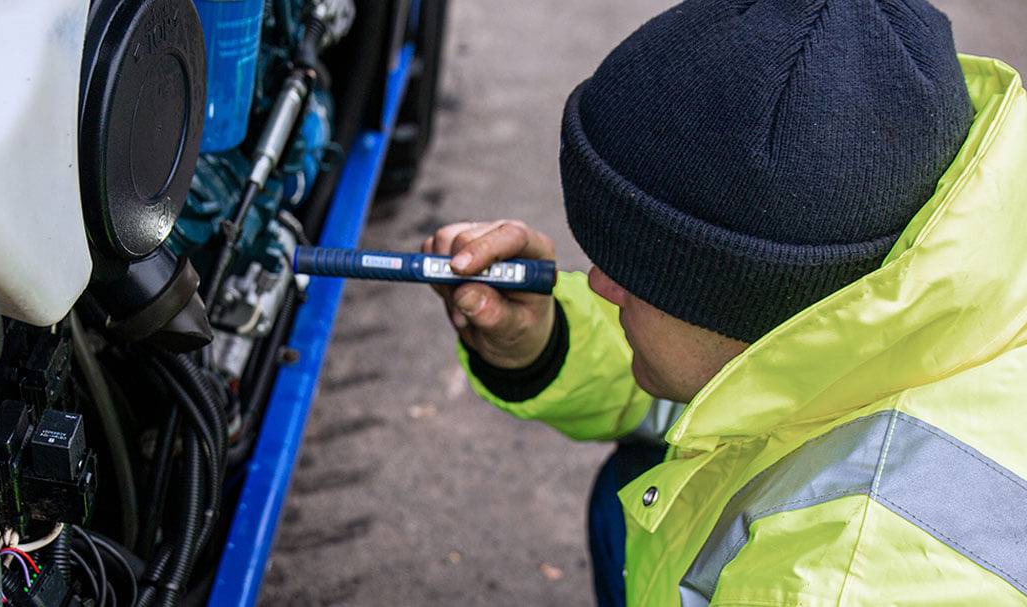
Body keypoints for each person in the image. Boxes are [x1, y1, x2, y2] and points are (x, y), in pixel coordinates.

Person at [424, 0, 1027, 605]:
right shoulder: (963, 278)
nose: (599, 285)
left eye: (643, 271)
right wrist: (542, 345)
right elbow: (718, 382)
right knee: (635, 482)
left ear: (750, 296)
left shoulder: (838, 583)